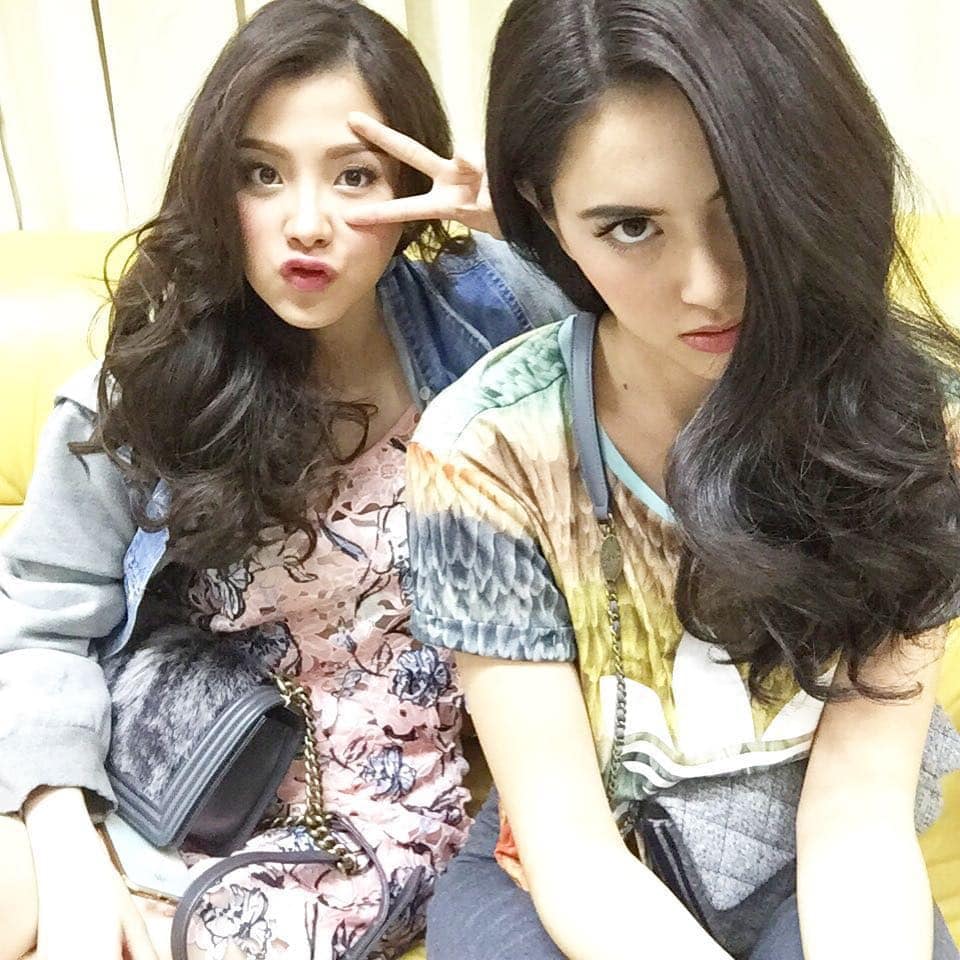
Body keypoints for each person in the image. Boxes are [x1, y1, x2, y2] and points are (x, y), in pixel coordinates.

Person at [0, 1, 573, 958]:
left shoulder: (486, 320)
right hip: (139, 771)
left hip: (361, 825)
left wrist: (512, 222)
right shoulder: (151, 384)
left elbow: (651, 337)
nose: (307, 224)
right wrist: (66, 846)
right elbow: (38, 625)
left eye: (354, 177)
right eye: (261, 174)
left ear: (411, 188)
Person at [404, 1, 960, 958]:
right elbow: (571, 849)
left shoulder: (914, 430)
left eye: (743, 209)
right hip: (574, 861)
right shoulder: (485, 452)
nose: (707, 284)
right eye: (630, 227)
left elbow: (858, 813)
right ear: (545, 211)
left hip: (807, 850)